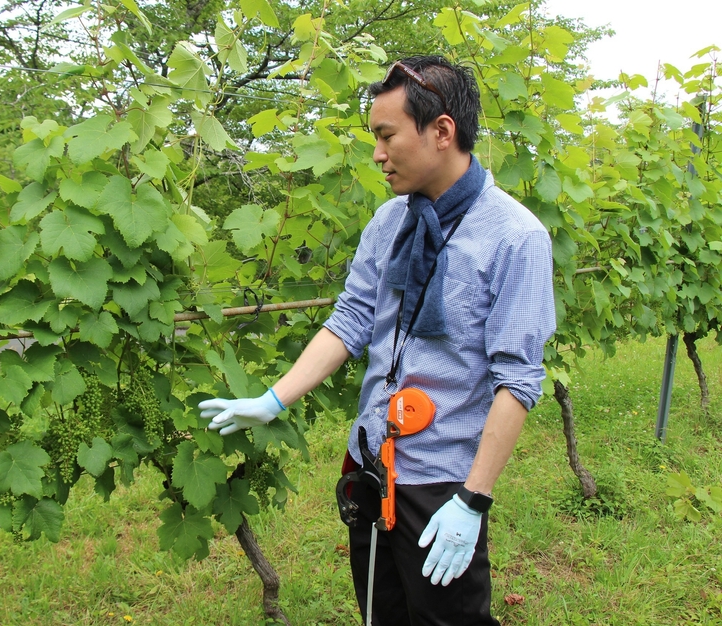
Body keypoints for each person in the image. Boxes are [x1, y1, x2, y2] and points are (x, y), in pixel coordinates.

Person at [199, 55, 555, 625]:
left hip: (444, 487)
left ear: (442, 131)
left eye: (387, 135)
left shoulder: (516, 238)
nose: (377, 153)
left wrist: (473, 500)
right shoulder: (390, 224)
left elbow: (518, 379)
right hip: (371, 468)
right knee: (379, 615)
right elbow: (350, 320)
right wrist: (272, 400)